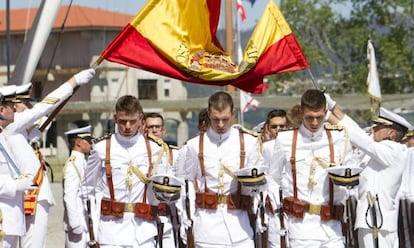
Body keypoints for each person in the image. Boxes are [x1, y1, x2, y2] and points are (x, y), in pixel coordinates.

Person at [4, 68, 95, 248]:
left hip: (31, 196)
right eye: (25, 104)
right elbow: (45, 105)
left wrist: (30, 139)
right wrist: (73, 81)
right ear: (14, 106)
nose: (27, 108)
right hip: (34, 196)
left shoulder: (16, 130)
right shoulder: (13, 125)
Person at [263, 89, 354, 247]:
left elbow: (351, 175)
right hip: (300, 228)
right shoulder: (286, 139)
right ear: (301, 112)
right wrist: (278, 216)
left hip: (332, 227)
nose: (314, 123)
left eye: (319, 117)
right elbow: (274, 179)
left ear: (325, 113)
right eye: (309, 117)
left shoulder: (339, 138)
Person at [84, 95, 176, 247]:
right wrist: (90, 228)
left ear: (141, 119)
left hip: (144, 230)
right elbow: (87, 190)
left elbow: (164, 191)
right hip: (111, 231)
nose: (127, 126)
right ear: (115, 118)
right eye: (122, 121)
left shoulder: (154, 149)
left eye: (132, 121)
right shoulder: (102, 148)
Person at [176, 91, 265, 247]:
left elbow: (259, 184)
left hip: (240, 226)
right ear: (209, 114)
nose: (221, 125)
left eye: (225, 119)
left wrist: (260, 215)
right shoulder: (194, 145)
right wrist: (186, 216)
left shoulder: (249, 142)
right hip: (206, 228)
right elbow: (187, 183)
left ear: (233, 114)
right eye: (216, 119)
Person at [326, 94, 413, 248]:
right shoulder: (382, 151)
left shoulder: (393, 150)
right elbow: (356, 130)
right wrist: (333, 107)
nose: (374, 129)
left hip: (377, 221)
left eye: (379, 127)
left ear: (391, 133)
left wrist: (326, 115)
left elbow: (358, 137)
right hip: (373, 220)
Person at [0, 86, 37, 248]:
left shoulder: (3, 136)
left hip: (11, 220)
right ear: (1, 109)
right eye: (11, 107)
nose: (15, 110)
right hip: (3, 220)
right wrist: (16, 185)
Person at [63, 124, 93, 248]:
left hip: (85, 222)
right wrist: (75, 224)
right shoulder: (73, 164)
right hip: (77, 224)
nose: (91, 144)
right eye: (89, 141)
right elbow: (69, 196)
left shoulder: (82, 161)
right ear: (79, 142)